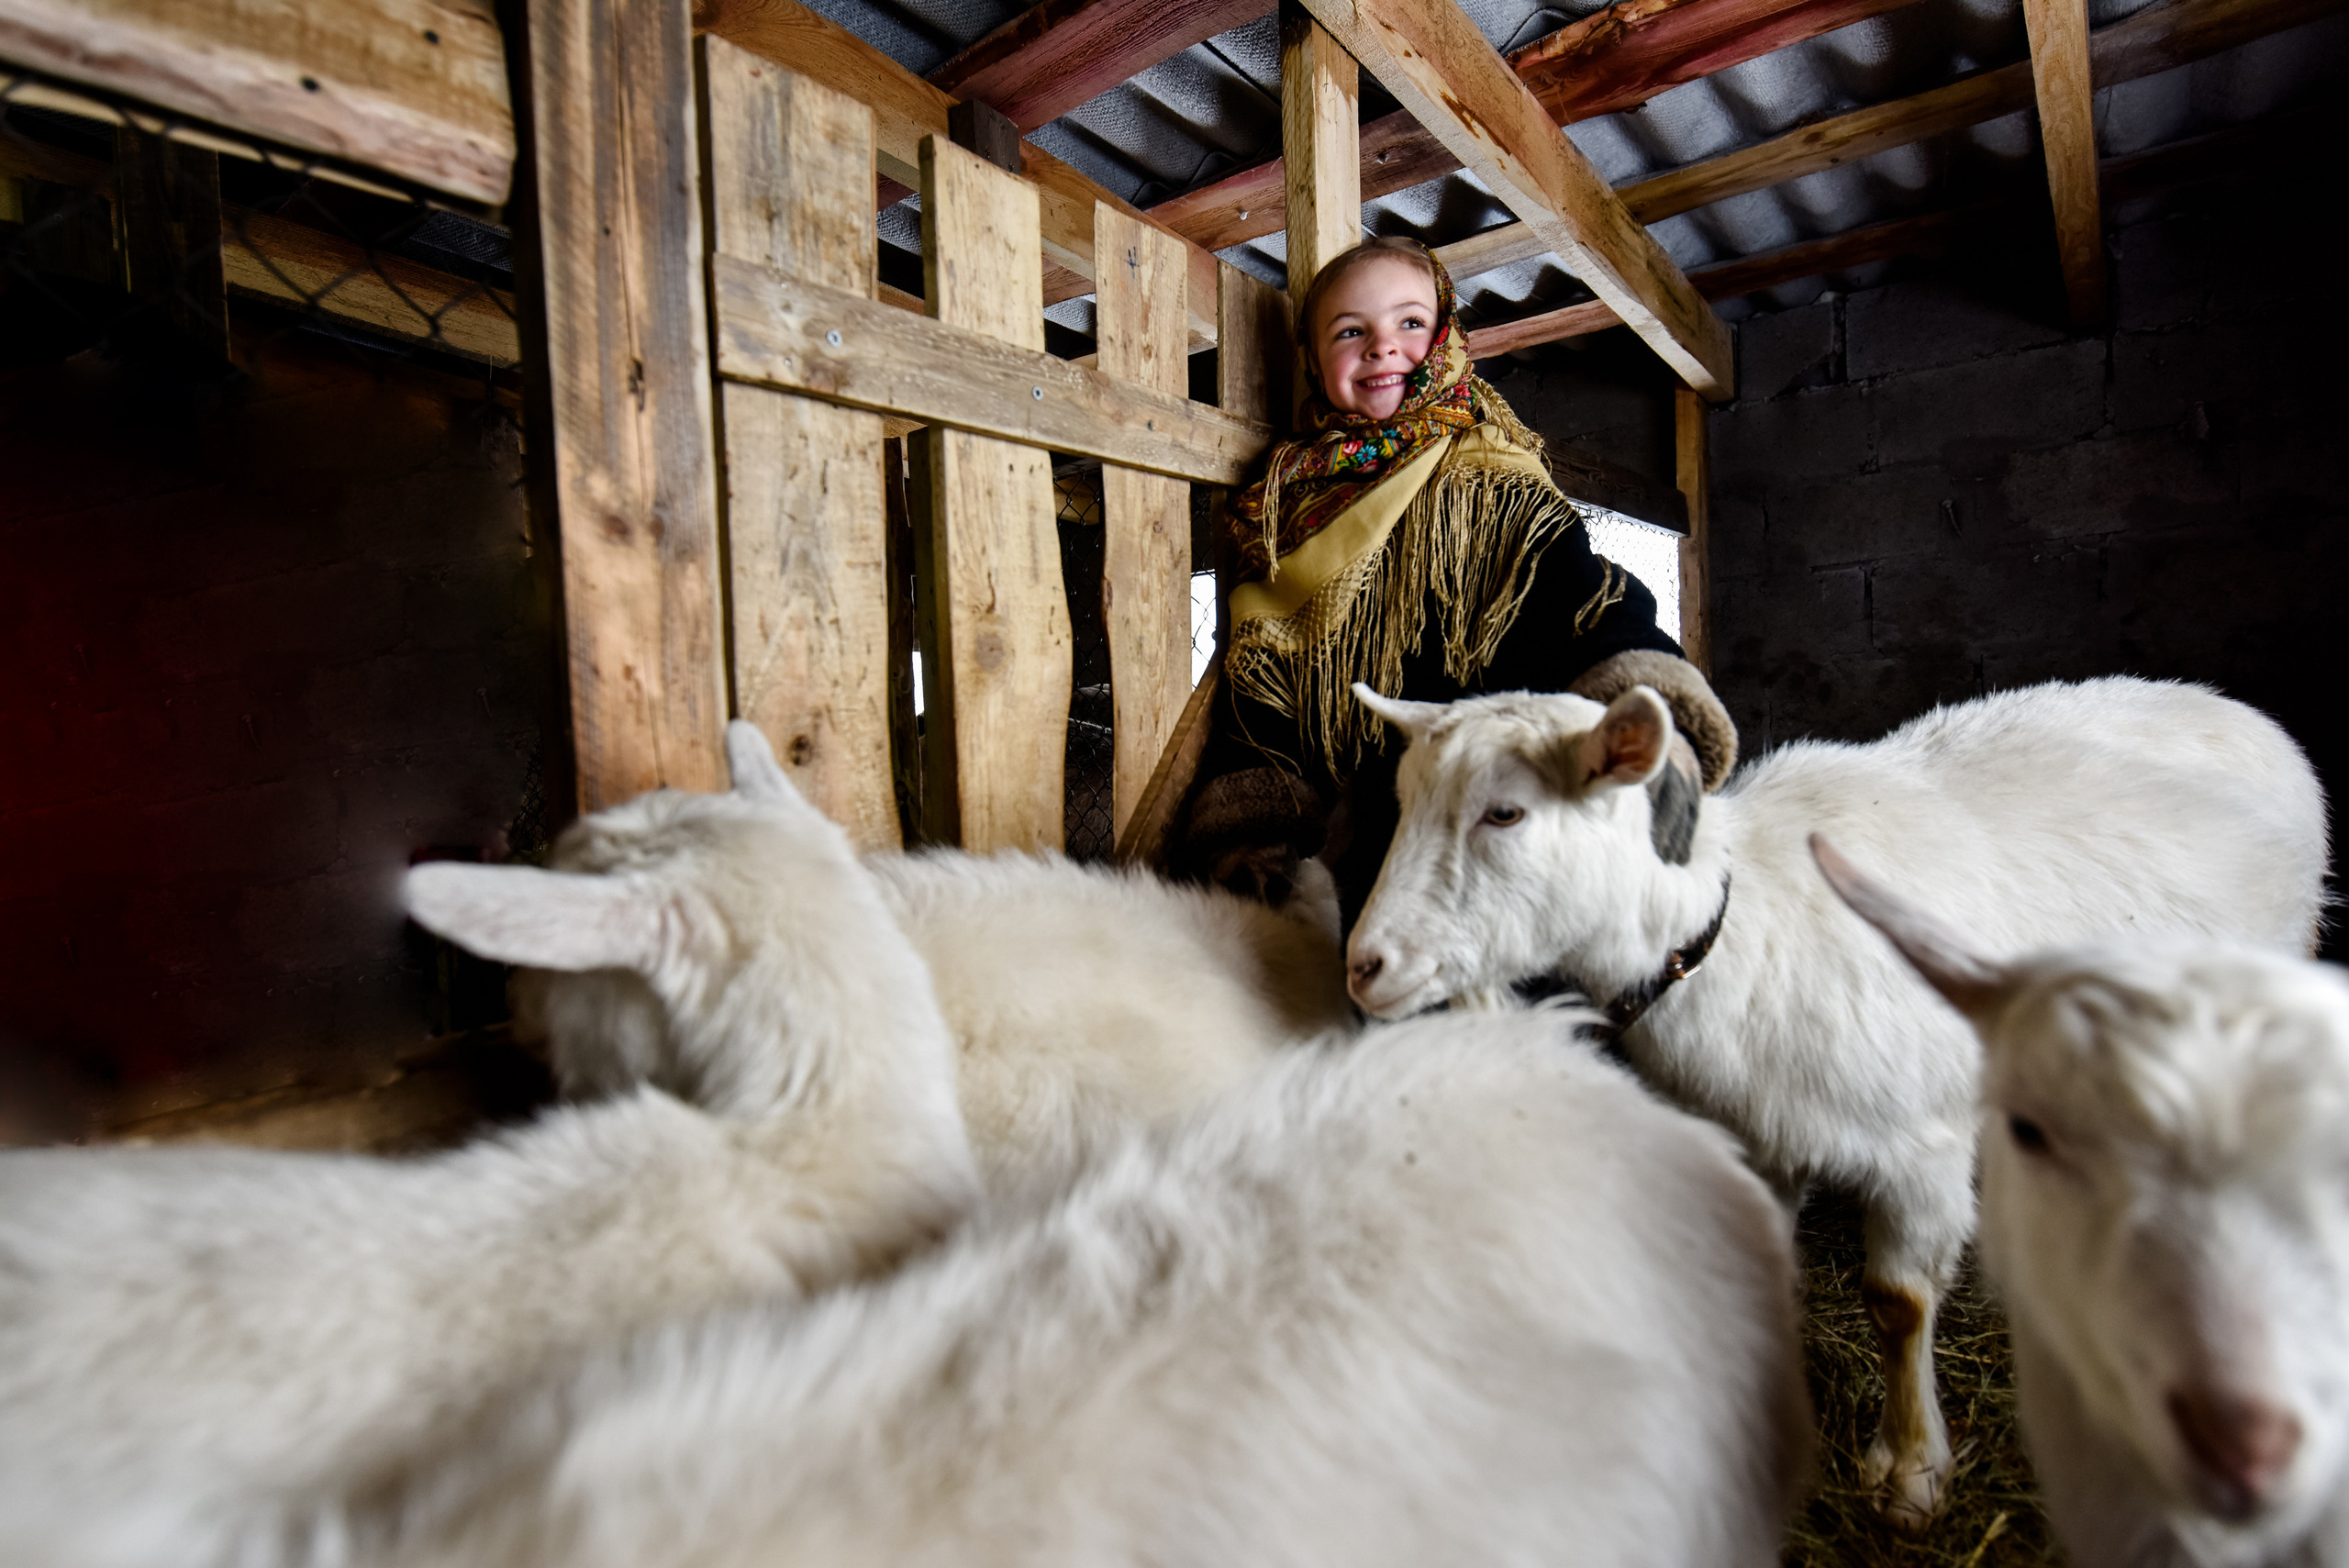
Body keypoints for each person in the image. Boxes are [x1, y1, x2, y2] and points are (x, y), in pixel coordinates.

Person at [1182, 237, 1737, 931]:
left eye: (1410, 323)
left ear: (1448, 336)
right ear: (1314, 361)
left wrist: (1659, 727)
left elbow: (1583, 604)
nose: (1383, 347)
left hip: (1500, 821)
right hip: (1366, 843)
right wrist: (1252, 838)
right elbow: (1266, 694)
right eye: (1351, 332)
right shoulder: (1283, 506)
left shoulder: (1490, 475)